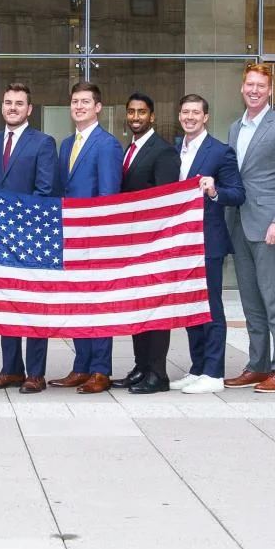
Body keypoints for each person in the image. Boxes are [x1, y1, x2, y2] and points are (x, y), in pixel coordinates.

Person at [226, 63, 275, 392]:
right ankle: (257, 364)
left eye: (261, 85)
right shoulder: (235, 127)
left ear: (270, 90)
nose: (254, 90)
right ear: (242, 88)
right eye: (250, 85)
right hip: (240, 225)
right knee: (250, 301)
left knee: (274, 301)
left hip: (270, 227)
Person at [0, 82, 58, 394]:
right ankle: (11, 369)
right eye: (8, 102)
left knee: (34, 304)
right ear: (2, 107)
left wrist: (18, 224)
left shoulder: (43, 143)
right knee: (7, 303)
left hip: (32, 237)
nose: (12, 108)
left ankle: (36, 373)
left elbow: (45, 190)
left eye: (19, 103)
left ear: (29, 109)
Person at [53, 80, 124, 393]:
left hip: (96, 238)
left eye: (85, 102)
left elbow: (109, 195)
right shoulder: (66, 145)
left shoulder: (108, 145)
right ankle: (81, 366)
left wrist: (101, 234)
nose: (78, 107)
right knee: (78, 303)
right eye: (74, 102)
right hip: (71, 236)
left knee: (98, 303)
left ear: (98, 107)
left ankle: (100, 370)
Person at [174, 94, 242, 394]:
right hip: (181, 242)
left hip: (208, 241)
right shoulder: (176, 149)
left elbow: (238, 193)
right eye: (185, 112)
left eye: (195, 113)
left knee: (211, 306)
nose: (190, 117)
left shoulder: (220, 151)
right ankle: (198, 367)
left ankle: (214, 373)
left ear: (206, 117)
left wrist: (215, 192)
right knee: (191, 307)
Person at [118, 92, 181, 395]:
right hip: (134, 246)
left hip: (154, 245)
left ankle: (158, 373)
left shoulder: (164, 152)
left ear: (152, 116)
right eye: (131, 112)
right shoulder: (128, 150)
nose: (135, 117)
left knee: (155, 309)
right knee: (137, 308)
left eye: (141, 112)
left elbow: (164, 202)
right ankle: (141, 366)